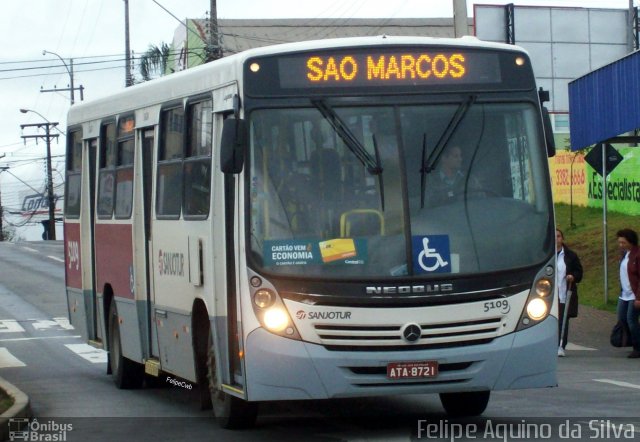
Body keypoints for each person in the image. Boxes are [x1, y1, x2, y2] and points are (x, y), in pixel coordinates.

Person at [555, 228, 583, 357]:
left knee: (563, 320)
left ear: (562, 238)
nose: (556, 239)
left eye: (559, 236)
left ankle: (561, 345)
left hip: (564, 293)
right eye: (554, 236)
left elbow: (579, 272)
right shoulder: (545, 254)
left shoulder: (570, 255)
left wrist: (572, 276)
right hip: (548, 295)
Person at [616, 228, 640, 358]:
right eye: (619, 243)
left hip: (634, 294)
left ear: (631, 242)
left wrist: (638, 297)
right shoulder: (625, 255)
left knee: (632, 319)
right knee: (621, 318)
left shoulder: (637, 254)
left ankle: (637, 347)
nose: (621, 245)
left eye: (623, 243)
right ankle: (631, 340)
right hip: (624, 293)